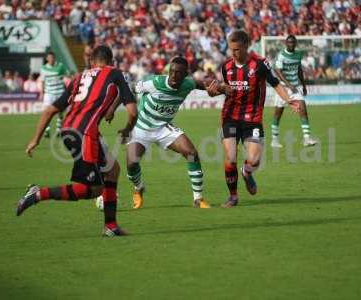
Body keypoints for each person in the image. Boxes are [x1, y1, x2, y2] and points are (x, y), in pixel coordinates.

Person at [16, 45, 137, 237]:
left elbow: (50, 110)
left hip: (69, 129)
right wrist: (127, 130)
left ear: (92, 61)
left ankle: (111, 226)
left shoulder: (79, 77)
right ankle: (38, 193)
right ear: (111, 61)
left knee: (112, 170)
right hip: (84, 134)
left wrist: (35, 139)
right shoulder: (115, 73)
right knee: (94, 189)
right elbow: (132, 111)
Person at [207, 30, 301, 208]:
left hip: (252, 118)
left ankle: (247, 171)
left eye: (237, 49)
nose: (234, 53)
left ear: (246, 46)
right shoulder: (226, 66)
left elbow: (275, 83)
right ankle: (233, 196)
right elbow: (226, 89)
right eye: (231, 49)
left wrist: (289, 100)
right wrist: (215, 91)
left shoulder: (260, 64)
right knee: (230, 158)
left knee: (254, 160)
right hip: (230, 116)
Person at [106, 57, 212, 209]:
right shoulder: (155, 82)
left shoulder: (188, 83)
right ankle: (139, 187)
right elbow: (127, 90)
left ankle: (198, 198)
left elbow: (201, 84)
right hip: (141, 127)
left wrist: (219, 89)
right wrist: (112, 109)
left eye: (179, 73)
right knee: (131, 163)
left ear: (185, 74)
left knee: (191, 153)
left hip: (163, 128)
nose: (174, 76)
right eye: (172, 71)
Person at [271, 35, 318, 148]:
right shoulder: (281, 55)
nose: (291, 44)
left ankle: (307, 138)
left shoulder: (298, 54)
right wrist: (288, 84)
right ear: (286, 44)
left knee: (302, 109)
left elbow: (299, 70)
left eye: (293, 42)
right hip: (282, 88)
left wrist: (303, 85)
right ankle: (274, 140)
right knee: (278, 114)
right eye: (289, 42)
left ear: (295, 43)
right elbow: (277, 71)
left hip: (294, 87)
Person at [40, 51, 68, 138]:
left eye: (52, 58)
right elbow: (42, 81)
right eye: (49, 58)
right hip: (49, 93)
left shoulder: (60, 66)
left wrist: (64, 78)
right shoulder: (43, 68)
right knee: (47, 111)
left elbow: (67, 75)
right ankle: (47, 130)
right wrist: (42, 92)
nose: (51, 59)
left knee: (60, 112)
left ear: (54, 58)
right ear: (47, 59)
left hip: (59, 92)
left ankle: (59, 129)